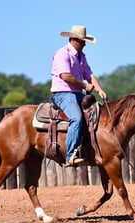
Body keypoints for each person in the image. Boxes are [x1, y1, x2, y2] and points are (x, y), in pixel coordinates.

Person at [50, 25, 107, 166]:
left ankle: (90, 149)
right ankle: (70, 154)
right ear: (73, 39)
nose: (85, 44)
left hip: (76, 94)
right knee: (76, 118)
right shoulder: (62, 54)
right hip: (63, 94)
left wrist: (99, 89)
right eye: (82, 41)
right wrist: (85, 86)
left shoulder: (82, 57)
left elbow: (90, 75)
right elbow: (66, 76)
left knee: (97, 113)